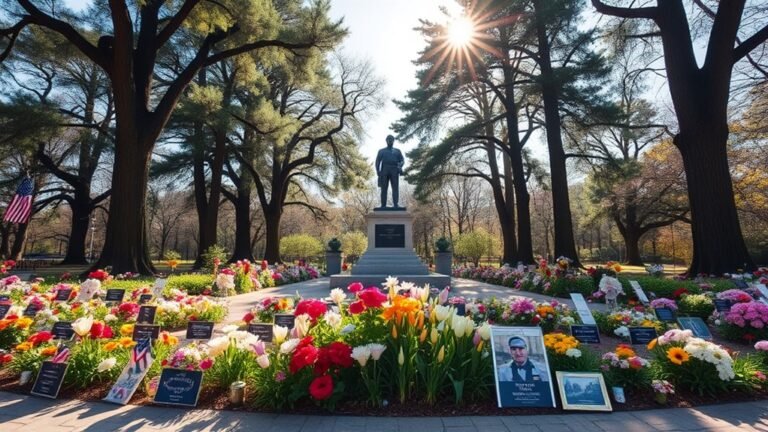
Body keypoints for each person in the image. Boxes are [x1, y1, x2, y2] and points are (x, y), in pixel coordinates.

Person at [375, 135, 405, 208]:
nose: (390, 141)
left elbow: (402, 160)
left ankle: (395, 204)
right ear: (386, 141)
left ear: (393, 141)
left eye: (391, 139)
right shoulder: (381, 151)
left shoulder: (397, 151)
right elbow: (377, 161)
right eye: (388, 139)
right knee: (384, 188)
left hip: (394, 169)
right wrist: (378, 171)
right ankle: (383, 205)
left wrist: (400, 165)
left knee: (395, 187)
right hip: (384, 169)